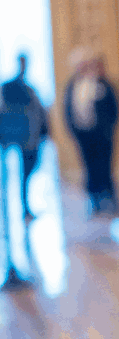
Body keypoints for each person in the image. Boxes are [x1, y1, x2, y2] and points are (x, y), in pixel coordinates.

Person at [64, 49, 119, 216]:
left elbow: (115, 109)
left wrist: (108, 128)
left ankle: (110, 199)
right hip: (83, 134)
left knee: (105, 166)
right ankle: (94, 200)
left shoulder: (102, 84)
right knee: (89, 167)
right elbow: (67, 110)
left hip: (102, 134)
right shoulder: (73, 85)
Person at [0, 53, 48, 221]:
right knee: (8, 177)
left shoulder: (28, 88)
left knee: (26, 175)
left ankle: (25, 209)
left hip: (29, 139)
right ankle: (12, 211)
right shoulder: (9, 87)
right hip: (15, 138)